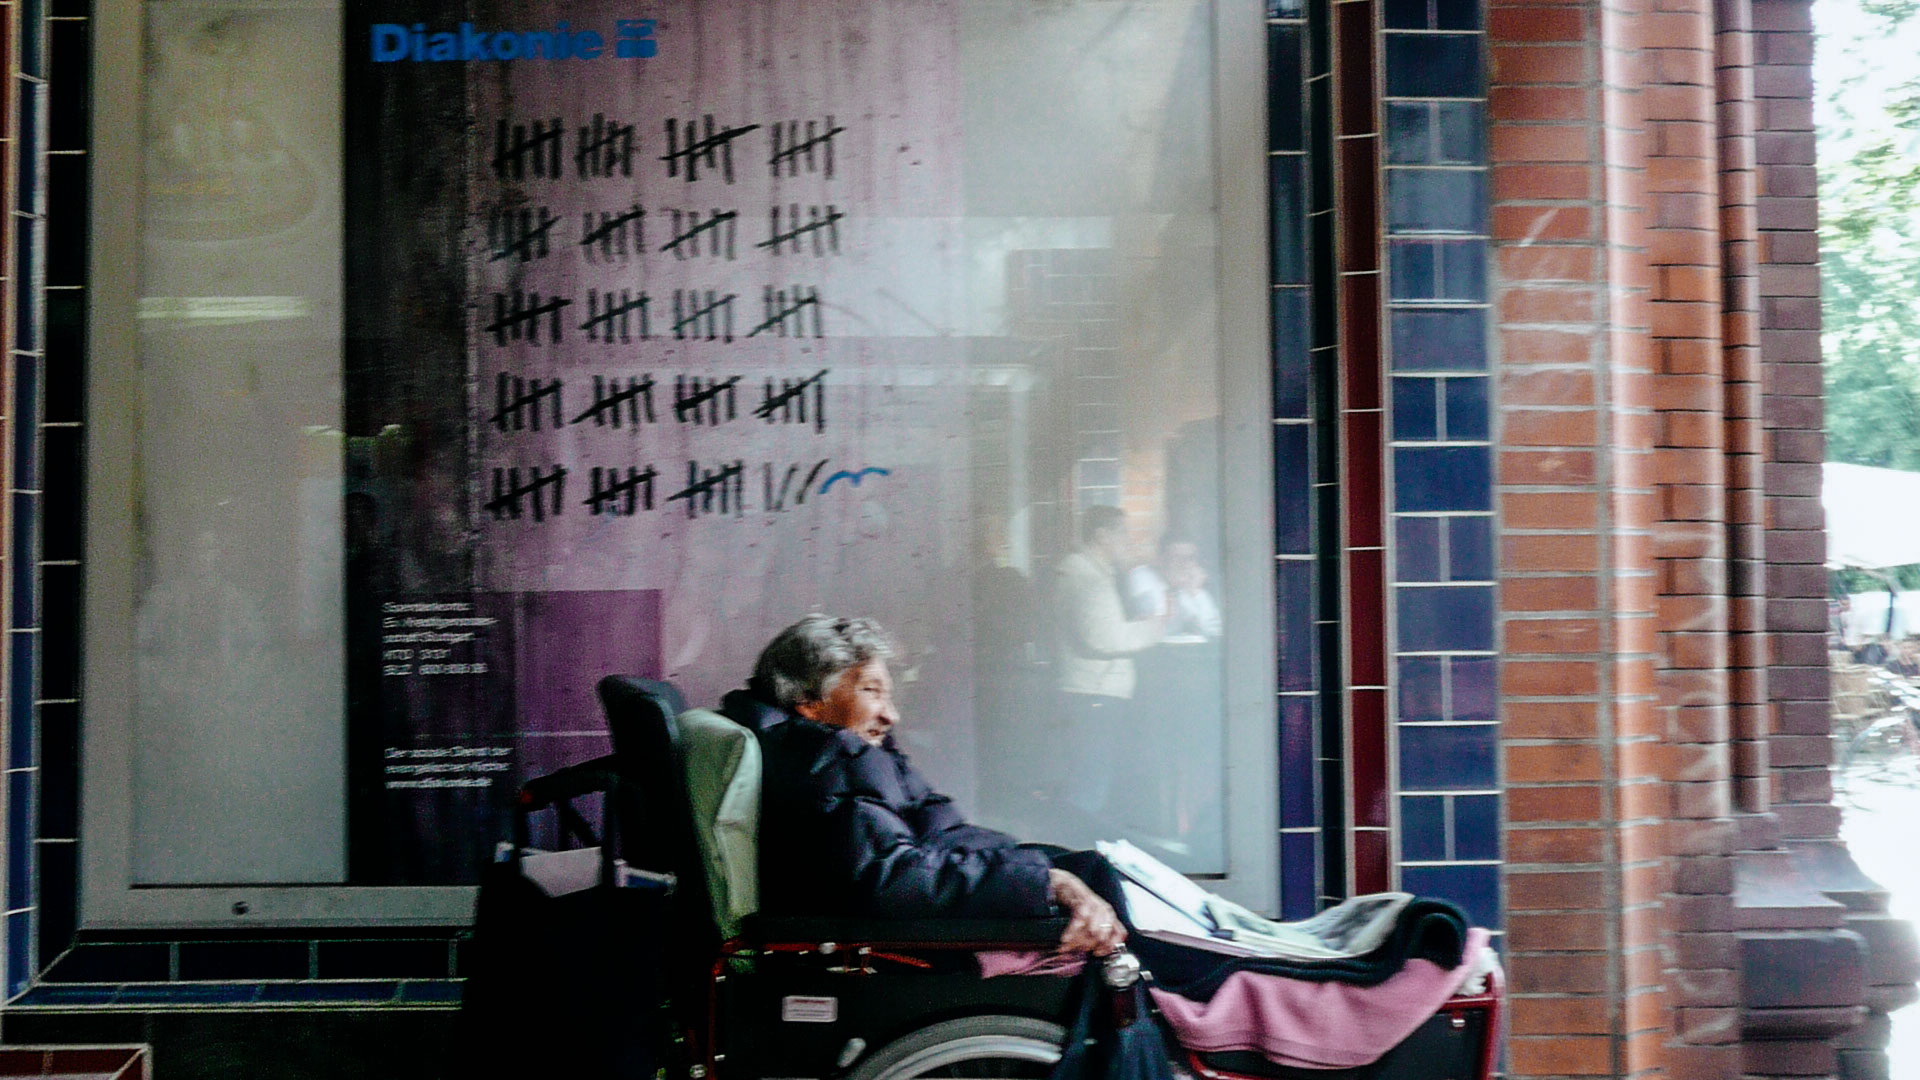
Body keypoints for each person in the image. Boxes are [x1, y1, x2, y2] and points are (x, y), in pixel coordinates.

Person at [722, 614, 1126, 955]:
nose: (891, 715)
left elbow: (942, 834)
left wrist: (1047, 868)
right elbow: (892, 878)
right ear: (810, 702)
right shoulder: (833, 757)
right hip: (875, 950)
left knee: (1088, 871)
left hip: (881, 926)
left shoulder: (825, 752)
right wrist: (1043, 881)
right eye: (871, 691)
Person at [1052, 505, 1164, 821]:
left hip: (1094, 693)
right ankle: (1077, 848)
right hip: (1094, 695)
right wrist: (1154, 627)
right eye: (1122, 534)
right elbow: (1102, 638)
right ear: (1102, 536)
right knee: (1089, 781)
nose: (1127, 541)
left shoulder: (1092, 575)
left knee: (1091, 777)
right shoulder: (1085, 579)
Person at [1127, 534, 1222, 640]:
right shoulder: (1142, 576)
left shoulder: (1189, 586)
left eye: (1190, 558)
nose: (1184, 564)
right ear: (1160, 560)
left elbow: (1213, 631)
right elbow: (1149, 630)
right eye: (1176, 557)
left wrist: (1195, 593)